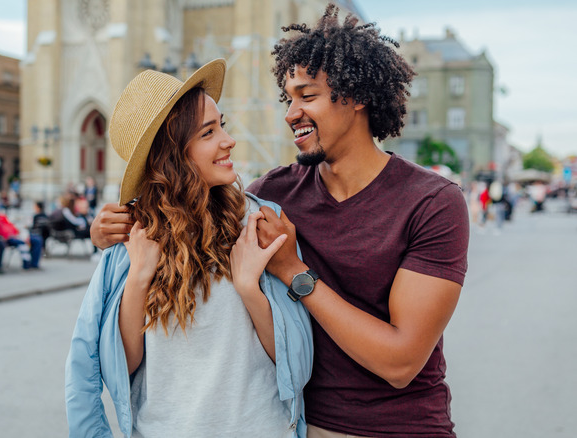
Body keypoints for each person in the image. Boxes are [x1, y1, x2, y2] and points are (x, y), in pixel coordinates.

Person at [91, 6, 470, 438]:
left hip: (401, 428)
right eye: (288, 99)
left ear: (358, 95)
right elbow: (185, 206)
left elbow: (401, 363)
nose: (291, 113)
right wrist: (108, 232)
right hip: (300, 424)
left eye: (308, 97)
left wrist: (293, 271)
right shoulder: (270, 196)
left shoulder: (433, 201)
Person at [66, 60, 313, 437]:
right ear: (173, 155)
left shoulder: (261, 222)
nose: (227, 140)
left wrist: (249, 288)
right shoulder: (130, 240)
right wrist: (139, 278)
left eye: (222, 126)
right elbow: (115, 367)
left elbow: (295, 363)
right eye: (207, 133)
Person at [0, 196, 42, 270]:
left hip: (15, 235)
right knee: (22, 243)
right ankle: (26, 264)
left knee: (37, 239)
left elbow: (10, 225)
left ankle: (34, 264)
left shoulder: (1, 216)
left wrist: (18, 233)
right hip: (6, 238)